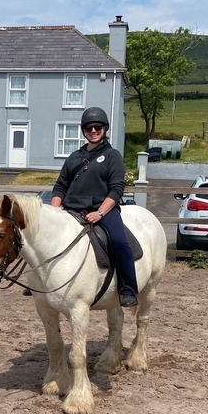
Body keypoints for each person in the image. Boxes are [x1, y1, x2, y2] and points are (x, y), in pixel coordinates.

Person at [50, 106, 139, 307]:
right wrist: (54, 211)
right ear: (84, 130)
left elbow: (116, 189)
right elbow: (60, 186)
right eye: (89, 128)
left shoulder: (112, 155)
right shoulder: (74, 157)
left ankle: (128, 288)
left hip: (102, 209)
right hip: (70, 209)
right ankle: (39, 281)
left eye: (97, 127)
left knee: (119, 241)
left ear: (105, 128)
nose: (93, 131)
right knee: (43, 237)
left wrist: (99, 212)